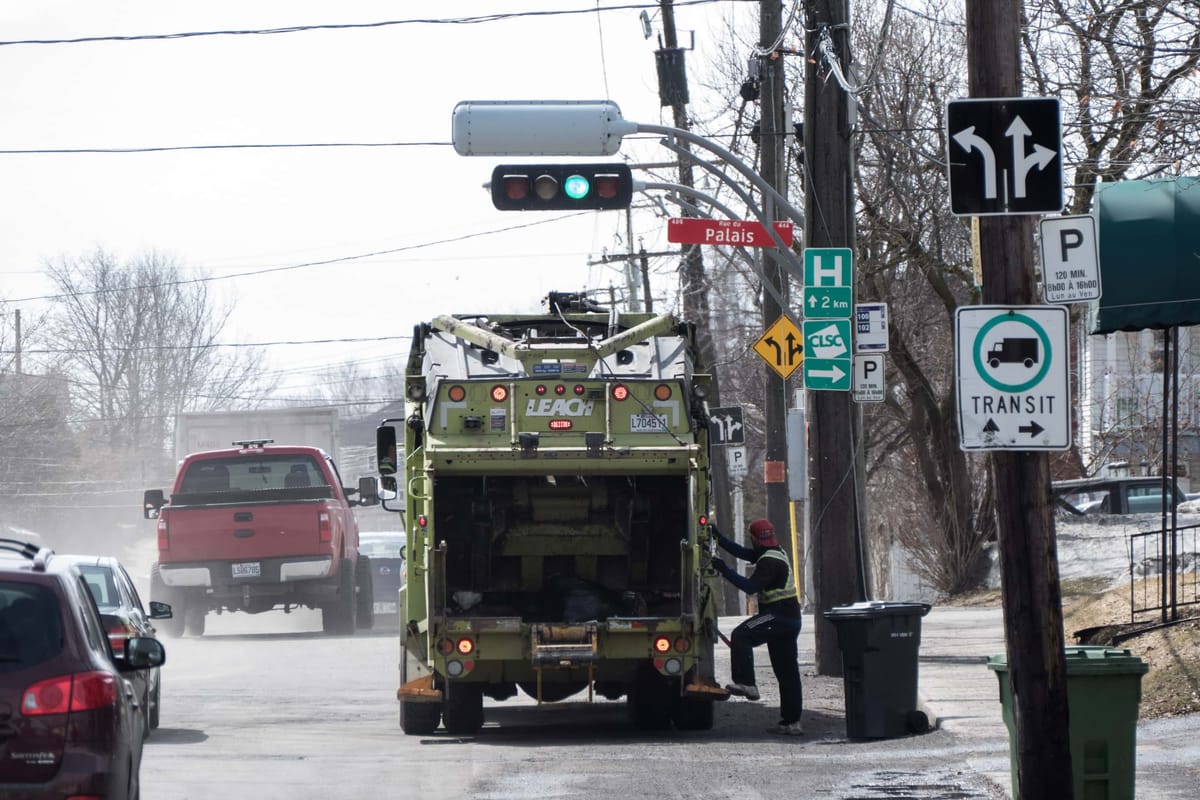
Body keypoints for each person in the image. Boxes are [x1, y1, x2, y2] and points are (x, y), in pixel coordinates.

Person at [709, 518, 804, 736]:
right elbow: (743, 553)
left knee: (741, 634)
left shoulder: (768, 562)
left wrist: (724, 570)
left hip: (777, 616)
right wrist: (719, 538)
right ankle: (791, 723)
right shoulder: (774, 551)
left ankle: (747, 683)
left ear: (754, 538)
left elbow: (749, 587)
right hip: (789, 619)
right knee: (787, 673)